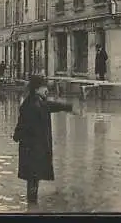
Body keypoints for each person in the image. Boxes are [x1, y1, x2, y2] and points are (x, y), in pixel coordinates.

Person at [12, 75, 75, 205]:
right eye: (44, 87)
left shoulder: (35, 102)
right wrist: (17, 135)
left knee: (33, 179)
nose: (47, 89)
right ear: (36, 89)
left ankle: (31, 207)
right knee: (33, 179)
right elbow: (24, 124)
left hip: (33, 149)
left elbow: (50, 105)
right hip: (33, 150)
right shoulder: (34, 105)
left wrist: (69, 107)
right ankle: (32, 208)